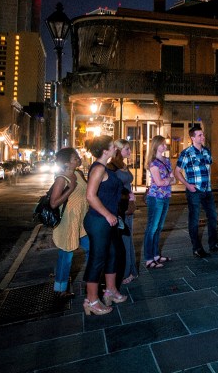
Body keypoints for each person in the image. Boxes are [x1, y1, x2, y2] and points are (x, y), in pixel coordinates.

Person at [82, 135, 127, 315]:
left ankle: (110, 291)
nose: (116, 149)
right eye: (113, 146)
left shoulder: (105, 167)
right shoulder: (99, 168)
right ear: (105, 150)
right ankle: (91, 301)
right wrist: (108, 214)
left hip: (108, 220)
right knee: (97, 258)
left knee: (113, 254)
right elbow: (90, 196)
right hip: (99, 220)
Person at [175, 125, 218, 258]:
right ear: (192, 138)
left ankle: (214, 244)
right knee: (194, 220)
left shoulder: (206, 151)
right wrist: (188, 185)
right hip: (194, 191)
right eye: (200, 135)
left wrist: (209, 183)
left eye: (203, 134)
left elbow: (209, 168)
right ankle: (197, 248)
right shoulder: (186, 153)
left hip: (207, 190)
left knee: (213, 218)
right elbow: (176, 172)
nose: (203, 137)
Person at [50, 147, 89, 299]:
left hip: (81, 221)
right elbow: (54, 203)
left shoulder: (78, 174)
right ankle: (60, 289)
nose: (78, 159)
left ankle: (90, 280)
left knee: (92, 249)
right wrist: (70, 189)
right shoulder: (61, 179)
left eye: (78, 157)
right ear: (66, 163)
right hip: (68, 222)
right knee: (66, 257)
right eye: (75, 158)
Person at [108, 139, 138, 284]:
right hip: (120, 207)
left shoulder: (123, 165)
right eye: (127, 149)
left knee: (128, 238)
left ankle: (130, 270)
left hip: (128, 206)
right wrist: (127, 197)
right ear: (119, 150)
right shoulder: (112, 166)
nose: (130, 152)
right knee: (124, 238)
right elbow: (112, 188)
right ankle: (126, 272)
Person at [144, 135, 174, 268]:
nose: (165, 146)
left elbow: (173, 179)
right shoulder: (153, 162)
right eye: (162, 144)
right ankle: (149, 259)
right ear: (156, 146)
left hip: (166, 196)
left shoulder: (167, 160)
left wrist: (167, 180)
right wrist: (168, 180)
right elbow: (160, 182)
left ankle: (156, 255)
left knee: (159, 227)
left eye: (165, 144)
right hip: (156, 198)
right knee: (152, 228)